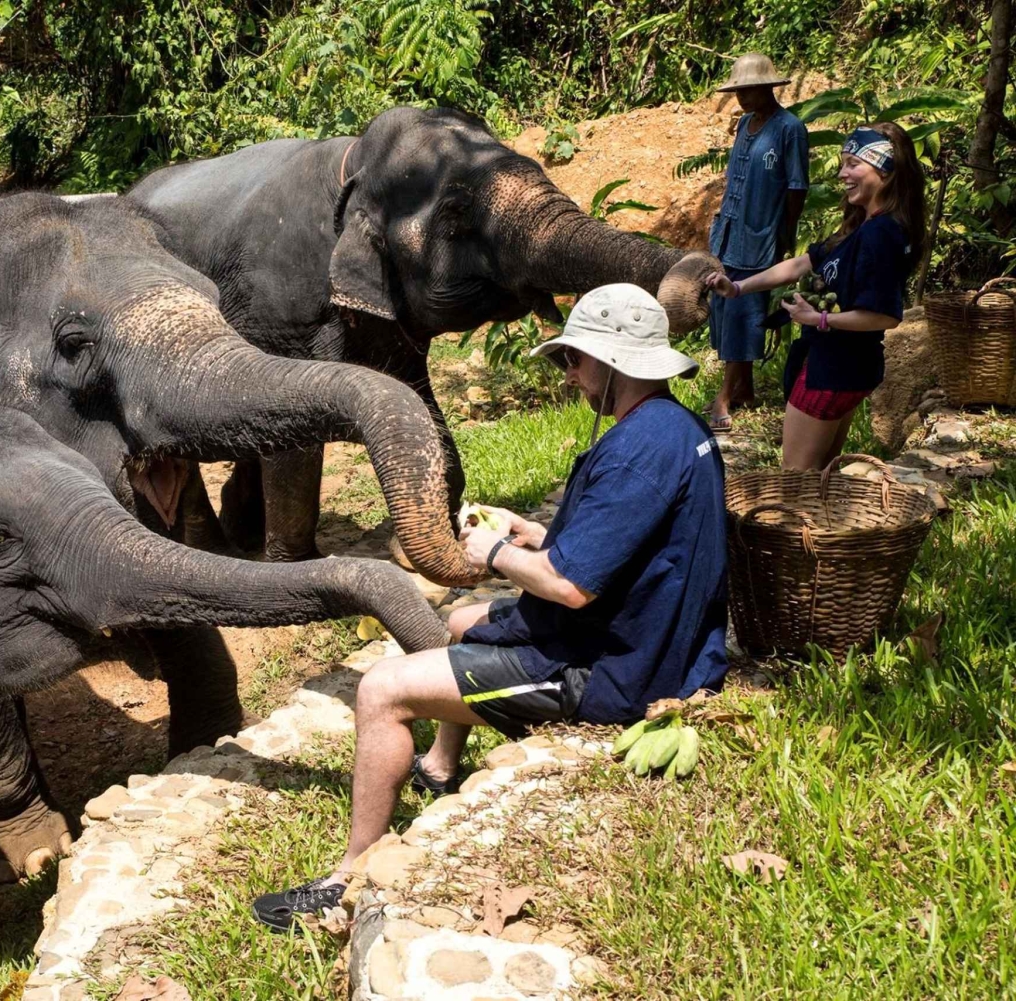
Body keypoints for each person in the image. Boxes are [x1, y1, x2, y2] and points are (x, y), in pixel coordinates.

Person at [250, 284, 729, 932]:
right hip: (653, 637)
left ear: (613, 363)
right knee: (459, 620)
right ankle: (442, 767)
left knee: (381, 691)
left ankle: (349, 874)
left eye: (575, 361)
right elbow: (620, 549)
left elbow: (569, 587)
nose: (570, 376)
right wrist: (532, 532)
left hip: (615, 670)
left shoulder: (636, 452)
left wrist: (496, 549)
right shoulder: (677, 427)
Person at [706, 123, 926, 470]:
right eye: (843, 164)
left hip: (836, 369)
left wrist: (818, 319)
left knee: (796, 476)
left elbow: (885, 315)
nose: (842, 174)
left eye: (853, 164)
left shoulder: (882, 234)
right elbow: (801, 264)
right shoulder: (862, 226)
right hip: (841, 367)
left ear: (884, 169)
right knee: (821, 475)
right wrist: (737, 287)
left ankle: (800, 525)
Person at [706, 53, 809, 433]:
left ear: (768, 87)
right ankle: (744, 387)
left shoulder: (789, 129)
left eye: (750, 89)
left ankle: (725, 395)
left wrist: (784, 233)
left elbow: (797, 187)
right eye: (739, 91)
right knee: (722, 307)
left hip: (762, 234)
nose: (744, 98)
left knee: (743, 313)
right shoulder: (745, 125)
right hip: (730, 231)